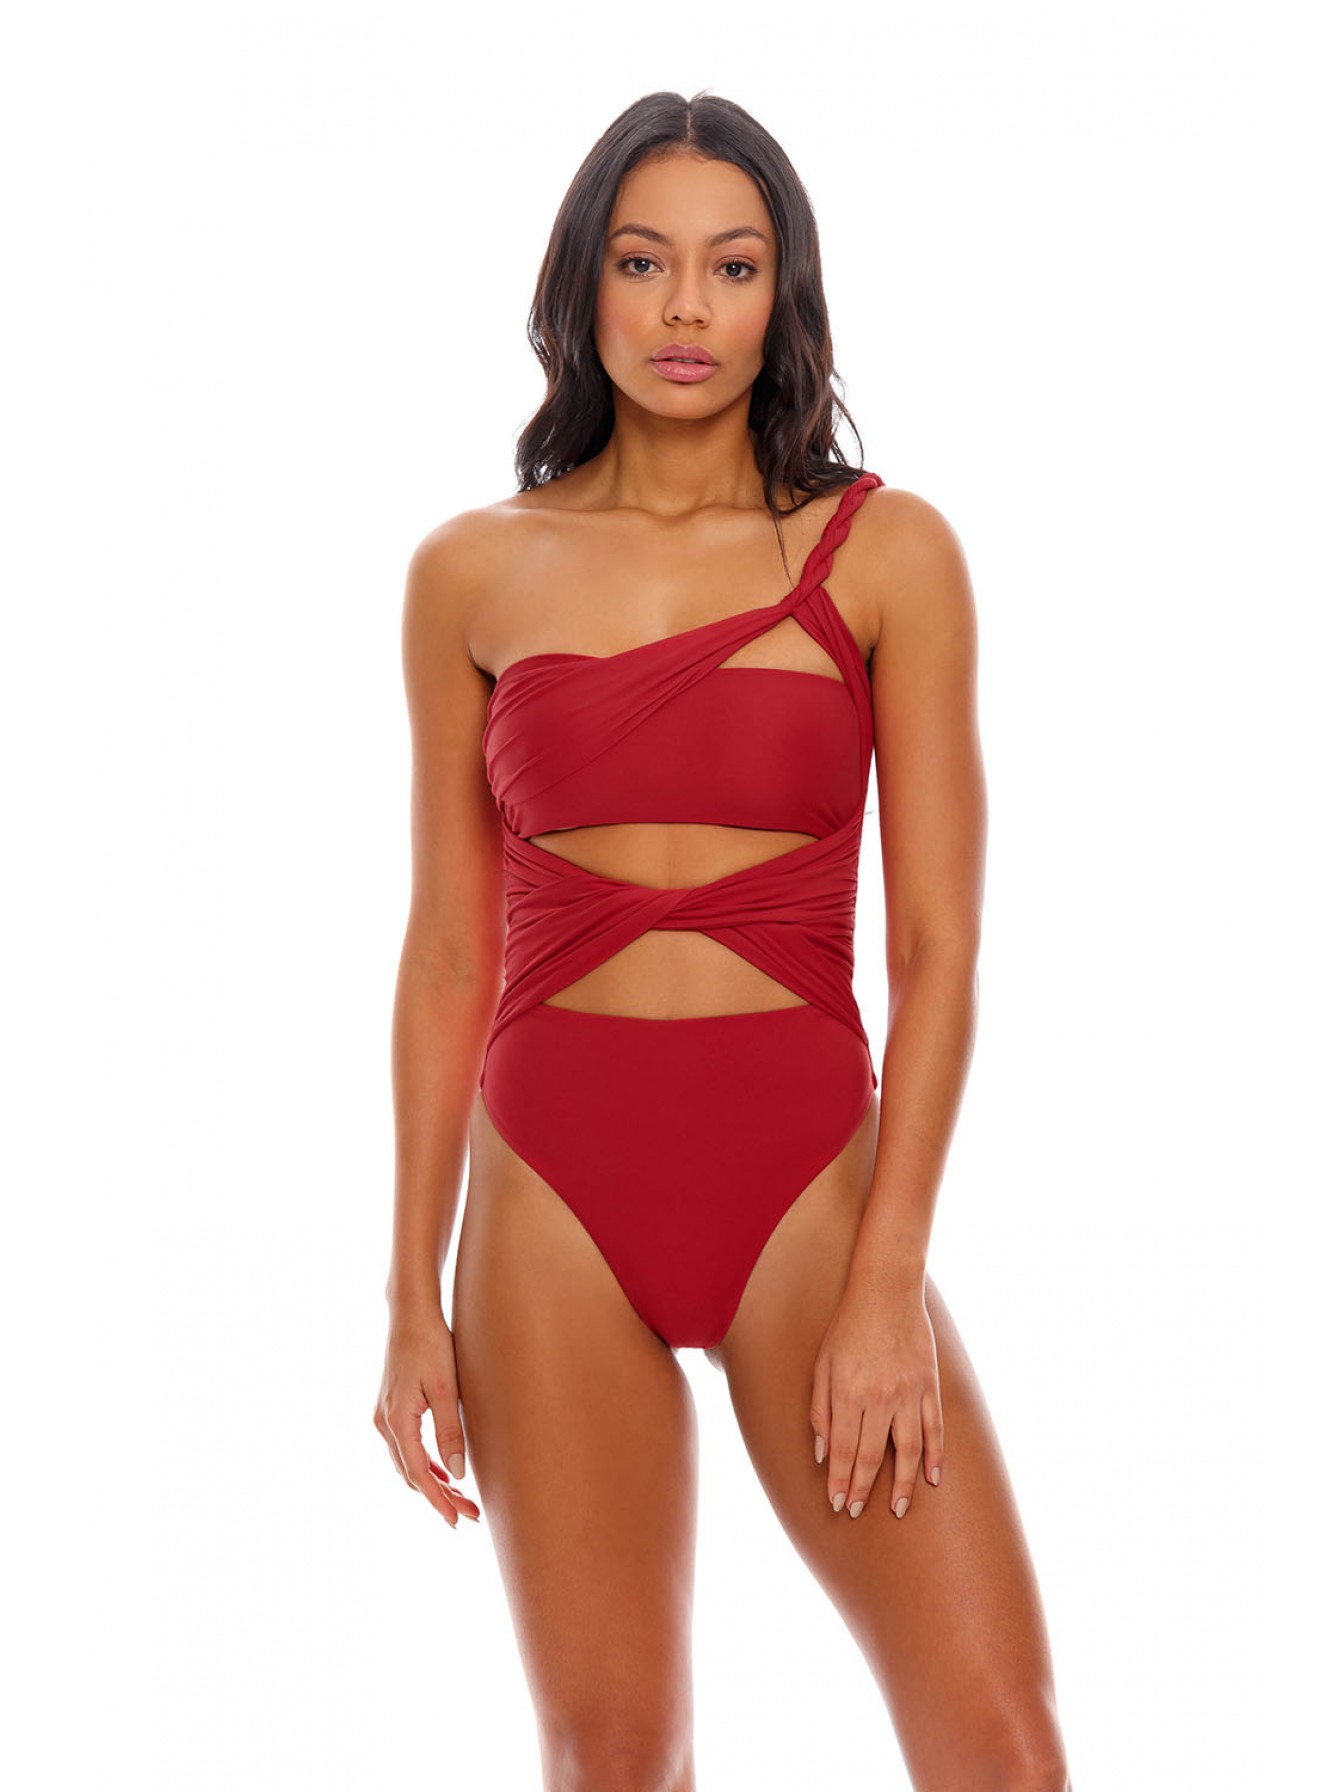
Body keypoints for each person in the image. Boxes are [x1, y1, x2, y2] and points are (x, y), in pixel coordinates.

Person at [374, 89, 1073, 1792]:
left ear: (782, 293)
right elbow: (449, 955)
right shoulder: (471, 572)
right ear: (585, 286)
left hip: (809, 1195)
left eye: (733, 266)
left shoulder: (887, 552)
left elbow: (939, 948)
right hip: (548, 1198)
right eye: (644, 263)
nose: (687, 308)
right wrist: (408, 1291)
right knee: (613, 1760)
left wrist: (890, 1279)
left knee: (1001, 1750)